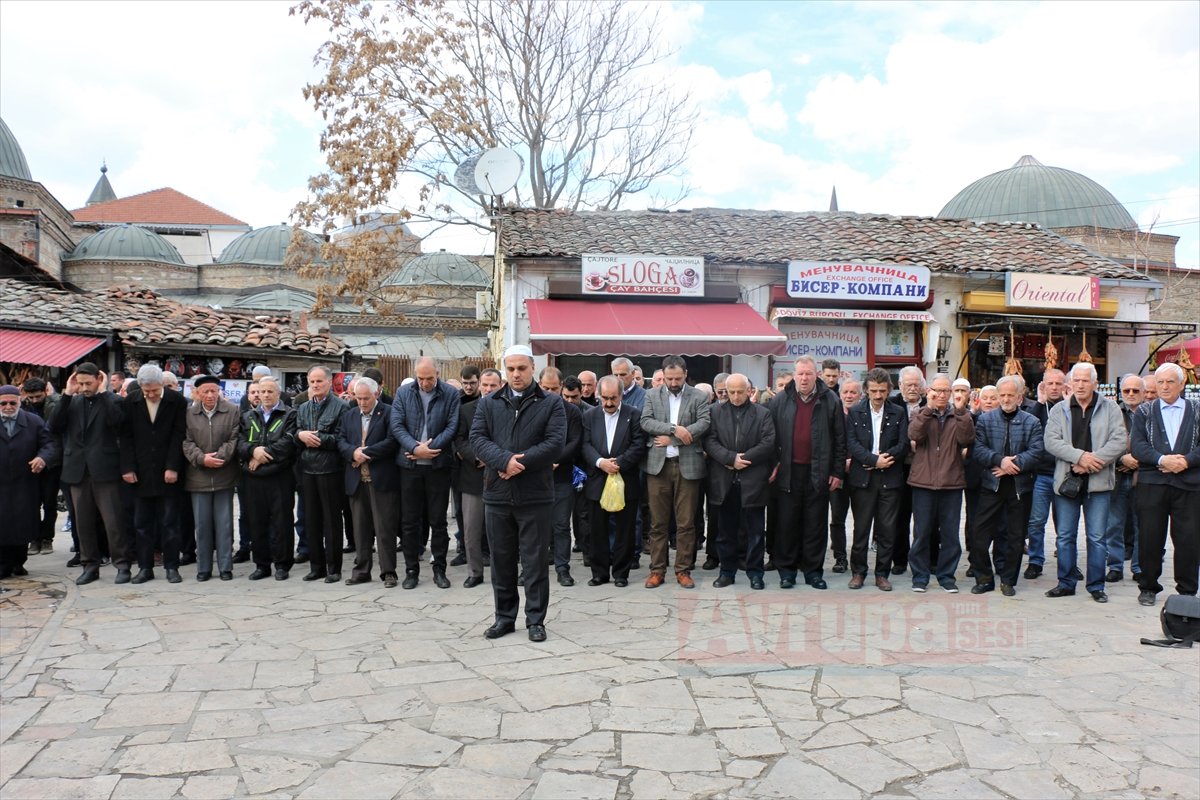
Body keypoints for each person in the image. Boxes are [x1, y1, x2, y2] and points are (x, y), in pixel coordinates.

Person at [470, 345, 566, 641]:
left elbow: (554, 443)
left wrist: (516, 463)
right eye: (510, 369)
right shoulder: (489, 403)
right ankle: (504, 617)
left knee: (535, 561)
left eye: (521, 368)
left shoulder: (551, 403)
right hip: (498, 495)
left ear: (532, 368)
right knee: (501, 560)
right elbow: (477, 438)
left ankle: (535, 620)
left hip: (535, 495)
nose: (515, 374)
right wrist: (503, 461)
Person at [1043, 362, 1127, 603]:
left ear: (1095, 383)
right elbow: (1051, 441)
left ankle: (1096, 585)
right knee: (1065, 536)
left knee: (1097, 537)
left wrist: (1092, 460)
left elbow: (1119, 441)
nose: (1080, 385)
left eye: (1085, 380)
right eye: (1076, 380)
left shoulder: (1110, 408)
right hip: (1067, 480)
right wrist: (1079, 457)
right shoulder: (1059, 409)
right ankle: (1066, 582)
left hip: (1098, 482)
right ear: (1071, 384)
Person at [767, 355, 845, 590]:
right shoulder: (780, 400)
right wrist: (773, 464)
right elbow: (770, 437)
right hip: (788, 471)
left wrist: (837, 472)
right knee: (787, 524)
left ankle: (813, 572)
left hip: (818, 472)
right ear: (794, 375)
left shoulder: (830, 400)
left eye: (808, 374)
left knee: (815, 524)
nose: (804, 378)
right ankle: (787, 571)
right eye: (800, 374)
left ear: (816, 375)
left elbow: (840, 439)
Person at [50, 363, 132, 585]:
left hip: (105, 470)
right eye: (81, 383)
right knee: (82, 523)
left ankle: (122, 565)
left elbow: (119, 423)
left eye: (88, 383)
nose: (84, 387)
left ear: (99, 379)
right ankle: (89, 565)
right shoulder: (71, 402)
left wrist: (105, 392)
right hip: (77, 470)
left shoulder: (113, 400)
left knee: (113, 522)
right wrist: (67, 392)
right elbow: (54, 425)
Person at [1131, 362, 1199, 605]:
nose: (1165, 386)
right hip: (1153, 485)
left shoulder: (1197, 408)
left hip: (1189, 485)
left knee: (1189, 539)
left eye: (1170, 381)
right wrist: (1162, 459)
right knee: (1150, 537)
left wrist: (1187, 461)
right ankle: (1148, 586)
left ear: (1182, 384)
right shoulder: (1144, 411)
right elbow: (1137, 446)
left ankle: (1187, 591)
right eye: (1160, 382)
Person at [969, 375, 1044, 596]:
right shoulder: (985, 419)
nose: (1005, 399)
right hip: (992, 484)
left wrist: (1014, 465)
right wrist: (999, 460)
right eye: (1002, 395)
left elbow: (1037, 451)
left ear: (1020, 397)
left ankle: (1009, 579)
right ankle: (984, 578)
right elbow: (978, 450)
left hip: (1020, 487)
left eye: (1010, 395)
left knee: (1016, 535)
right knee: (979, 533)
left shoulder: (1032, 422)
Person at [390, 357, 460, 589]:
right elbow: (397, 424)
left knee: (438, 521)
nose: (424, 383)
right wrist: (414, 448)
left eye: (429, 378)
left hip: (438, 467)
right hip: (409, 467)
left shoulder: (450, 393)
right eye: (420, 378)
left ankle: (439, 568)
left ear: (437, 374)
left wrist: (430, 450)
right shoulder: (404, 393)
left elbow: (453, 425)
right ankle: (412, 570)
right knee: (410, 522)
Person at [641, 356, 710, 590]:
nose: (672, 383)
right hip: (658, 467)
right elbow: (646, 423)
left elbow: (703, 424)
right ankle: (657, 570)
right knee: (658, 523)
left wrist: (673, 439)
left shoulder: (699, 396)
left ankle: (683, 570)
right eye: (669, 378)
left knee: (686, 523)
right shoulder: (651, 395)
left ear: (685, 374)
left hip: (687, 466)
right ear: (663, 374)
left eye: (677, 378)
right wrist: (675, 428)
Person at [705, 373, 775, 589]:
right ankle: (727, 572)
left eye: (739, 391)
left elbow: (768, 442)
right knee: (725, 531)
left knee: (755, 531)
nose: (735, 396)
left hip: (753, 479)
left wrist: (742, 459)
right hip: (724, 481)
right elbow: (709, 440)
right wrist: (729, 458)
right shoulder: (715, 411)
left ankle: (755, 573)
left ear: (749, 391)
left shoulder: (762, 413)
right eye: (730, 392)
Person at [907, 374, 975, 593]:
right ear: (929, 391)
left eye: (947, 391)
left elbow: (966, 439)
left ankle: (946, 576)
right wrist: (928, 410)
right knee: (922, 532)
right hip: (923, 483)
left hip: (951, 483)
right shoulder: (920, 413)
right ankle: (920, 576)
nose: (943, 395)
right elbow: (914, 434)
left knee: (950, 534)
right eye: (938, 390)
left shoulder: (961, 416)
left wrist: (962, 411)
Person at [120, 364, 188, 584]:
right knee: (142, 524)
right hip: (140, 472)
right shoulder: (131, 401)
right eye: (146, 391)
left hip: (168, 472)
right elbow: (126, 438)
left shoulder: (176, 401)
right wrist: (128, 468)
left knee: (169, 522)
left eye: (155, 391)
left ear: (162, 385)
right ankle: (145, 567)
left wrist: (172, 467)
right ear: (139, 387)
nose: (150, 395)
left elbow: (179, 436)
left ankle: (171, 567)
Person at [844, 369, 908, 591]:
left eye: (882, 391)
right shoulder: (855, 412)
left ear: (889, 390)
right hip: (862, 478)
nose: (878, 395)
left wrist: (884, 460)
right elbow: (851, 443)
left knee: (887, 530)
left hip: (890, 478)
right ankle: (858, 573)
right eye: (874, 391)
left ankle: (882, 574)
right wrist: (872, 459)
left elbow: (903, 443)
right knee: (861, 529)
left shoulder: (898, 412)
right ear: (866, 390)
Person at [581, 375, 645, 589]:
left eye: (613, 398)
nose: (608, 403)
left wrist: (618, 463)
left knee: (625, 530)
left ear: (621, 395)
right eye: (605, 398)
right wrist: (600, 463)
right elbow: (585, 445)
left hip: (625, 479)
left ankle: (621, 573)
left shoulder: (634, 415)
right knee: (597, 529)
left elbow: (638, 444)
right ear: (598, 395)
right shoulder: (589, 416)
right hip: (598, 480)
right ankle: (599, 573)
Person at [338, 376, 401, 587]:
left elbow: (392, 441)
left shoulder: (389, 413)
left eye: (366, 398)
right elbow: (341, 440)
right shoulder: (349, 415)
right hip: (356, 480)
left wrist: (366, 453)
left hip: (381, 479)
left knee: (384, 528)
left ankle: (388, 571)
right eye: (358, 398)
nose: (362, 402)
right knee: (360, 528)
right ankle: (362, 570)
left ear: (376, 394)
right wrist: (352, 452)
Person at [237, 376, 297, 581]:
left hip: (279, 476)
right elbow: (239, 442)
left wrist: (262, 457)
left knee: (282, 522)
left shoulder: (290, 415)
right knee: (256, 522)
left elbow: (288, 443)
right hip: (253, 479)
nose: (265, 395)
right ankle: (262, 565)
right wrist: (253, 451)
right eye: (262, 392)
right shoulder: (247, 416)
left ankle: (282, 564)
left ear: (278, 394)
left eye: (270, 391)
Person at [183, 374, 241, 581]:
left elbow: (234, 438)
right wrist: (201, 459)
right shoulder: (188, 414)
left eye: (213, 391)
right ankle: (204, 568)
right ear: (197, 393)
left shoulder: (232, 411)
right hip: (198, 477)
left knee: (224, 524)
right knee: (202, 525)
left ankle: (226, 567)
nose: (210, 395)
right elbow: (186, 442)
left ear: (219, 391)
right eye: (205, 391)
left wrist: (219, 457)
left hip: (224, 475)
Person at [0, 385, 55, 579]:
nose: (8, 407)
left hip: (25, 482)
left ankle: (18, 562)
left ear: (20, 401)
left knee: (23, 523)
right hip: (2, 484)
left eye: (12, 403)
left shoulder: (34, 421)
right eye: (3, 403)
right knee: (3, 523)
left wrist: (42, 458)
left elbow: (48, 444)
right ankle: (4, 564)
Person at [455, 368, 502, 588]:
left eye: (493, 385)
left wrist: (494, 458)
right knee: (471, 531)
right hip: (473, 477)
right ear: (479, 385)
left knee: (501, 531)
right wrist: (478, 457)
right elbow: (460, 440)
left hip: (502, 477)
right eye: (485, 385)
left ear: (501, 386)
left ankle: (502, 572)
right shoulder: (465, 410)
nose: (489, 389)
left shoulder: (509, 409)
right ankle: (475, 572)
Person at [1025, 367, 1066, 579]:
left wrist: (1070, 404)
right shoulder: (1037, 408)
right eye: (1049, 383)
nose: (1054, 387)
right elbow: (1028, 428)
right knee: (1037, 521)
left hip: (1065, 474)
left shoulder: (1072, 407)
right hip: (1042, 474)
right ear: (1043, 385)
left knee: (1065, 523)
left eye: (1058, 383)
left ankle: (1067, 562)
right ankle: (1035, 561)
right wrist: (1040, 402)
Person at [1107, 374, 1145, 583]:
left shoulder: (1151, 412)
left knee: (1142, 525)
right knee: (1114, 524)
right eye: (1126, 390)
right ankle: (1115, 565)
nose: (1130, 394)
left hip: (1144, 475)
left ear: (1143, 392)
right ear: (1120, 392)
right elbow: (1102, 440)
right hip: (1118, 475)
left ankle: (1139, 567)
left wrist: (1139, 459)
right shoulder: (1112, 412)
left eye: (1135, 390)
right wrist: (1122, 457)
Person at [888, 365, 925, 575]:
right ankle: (899, 560)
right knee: (899, 517)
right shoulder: (892, 405)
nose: (912, 388)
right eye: (907, 384)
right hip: (898, 469)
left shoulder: (930, 406)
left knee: (923, 518)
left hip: (924, 469)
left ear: (921, 386)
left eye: (915, 384)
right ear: (899, 386)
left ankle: (923, 559)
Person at [20, 378, 61, 556]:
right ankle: (34, 538)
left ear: (46, 391)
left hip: (51, 461)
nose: (35, 400)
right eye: (32, 397)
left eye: (38, 396)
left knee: (49, 503)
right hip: (29, 462)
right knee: (32, 503)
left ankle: (47, 538)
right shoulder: (21, 406)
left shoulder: (55, 404)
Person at [828, 378, 861, 573]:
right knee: (837, 519)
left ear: (860, 395)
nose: (849, 396)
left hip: (859, 474)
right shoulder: (834, 415)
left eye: (853, 393)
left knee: (861, 520)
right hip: (838, 475)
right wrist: (839, 465)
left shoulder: (864, 416)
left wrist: (854, 461)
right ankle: (840, 558)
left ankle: (858, 558)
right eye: (845, 392)